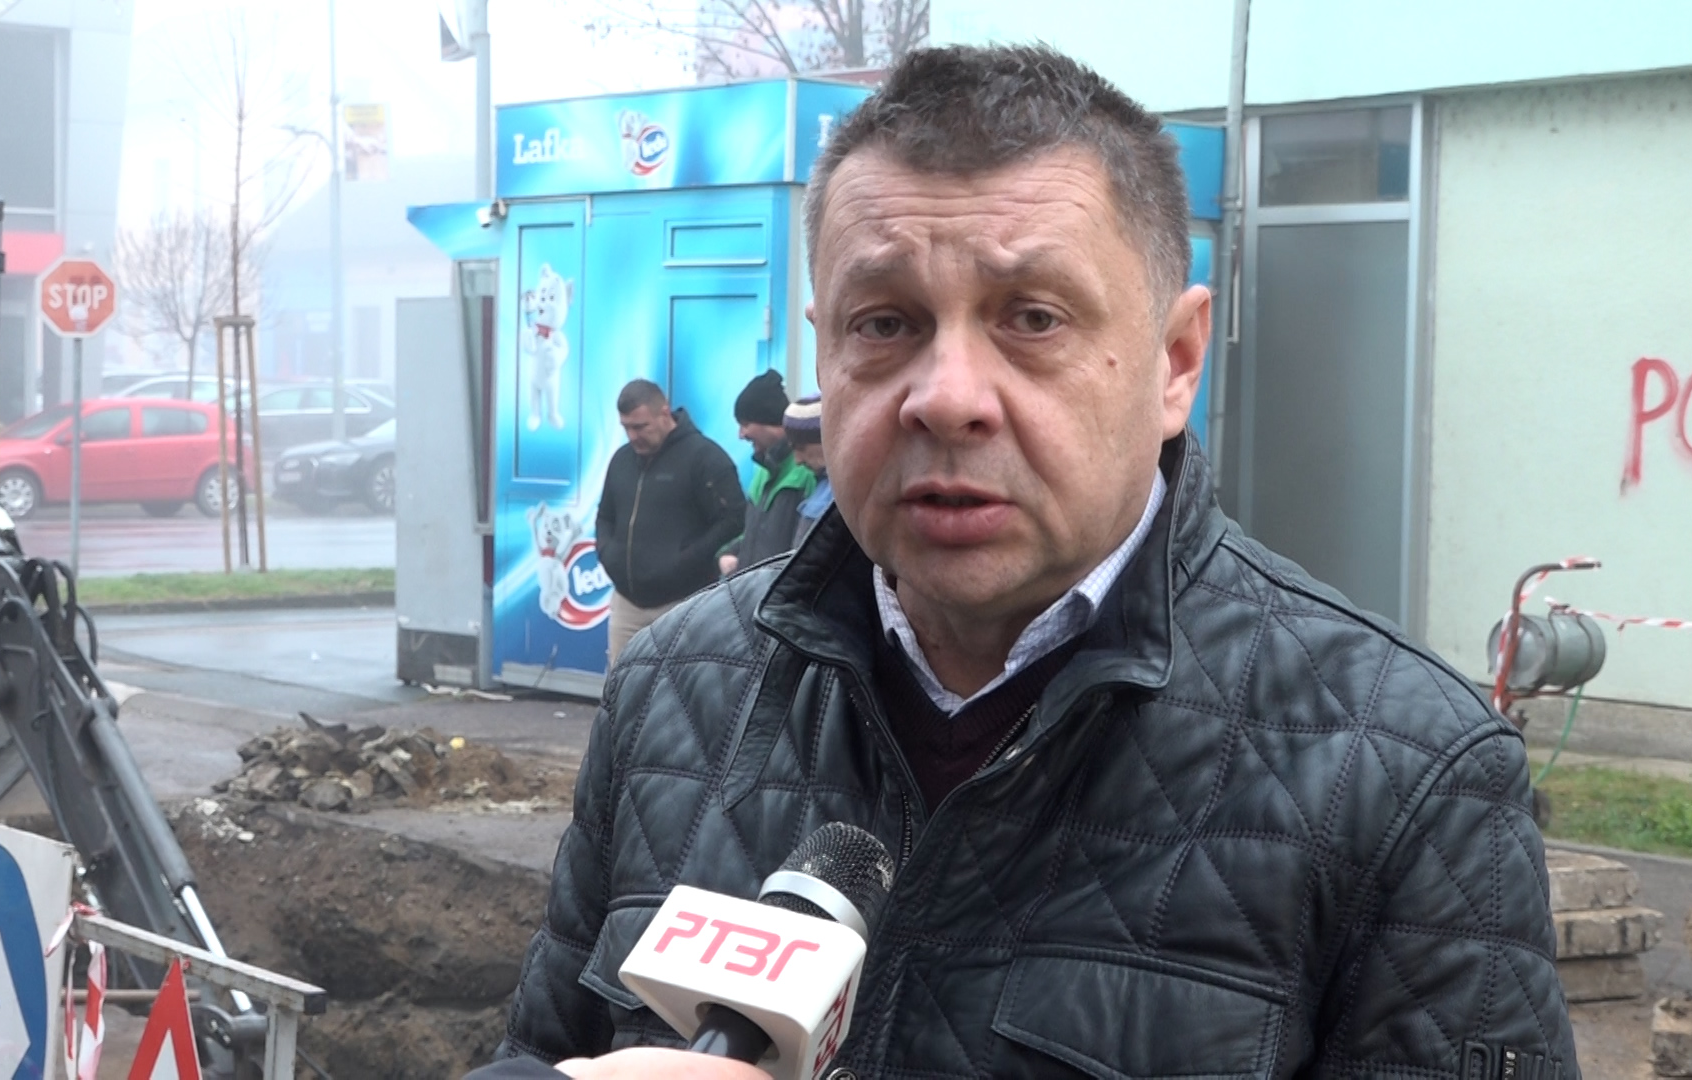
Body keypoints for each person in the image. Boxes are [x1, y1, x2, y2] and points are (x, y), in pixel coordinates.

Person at [476, 44, 1576, 1080]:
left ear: (1175, 362)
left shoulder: (1408, 780)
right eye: (885, 323)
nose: (946, 396)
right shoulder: (675, 689)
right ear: (825, 348)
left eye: (1034, 318)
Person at [593, 379, 744, 670]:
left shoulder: (705, 458)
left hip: (682, 602)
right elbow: (605, 516)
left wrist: (687, 560)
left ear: (664, 413)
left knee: (677, 690)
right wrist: (606, 552)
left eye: (640, 427)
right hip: (627, 603)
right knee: (620, 689)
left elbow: (733, 520)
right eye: (626, 427)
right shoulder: (621, 460)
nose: (633, 436)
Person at [717, 370, 814, 574]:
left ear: (770, 422)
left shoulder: (807, 472)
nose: (741, 435)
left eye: (745, 424)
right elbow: (754, 534)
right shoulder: (762, 472)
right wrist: (731, 551)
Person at [782, 393, 829, 546]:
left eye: (801, 448)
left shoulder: (845, 492)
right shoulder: (824, 486)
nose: (798, 460)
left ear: (825, 439)